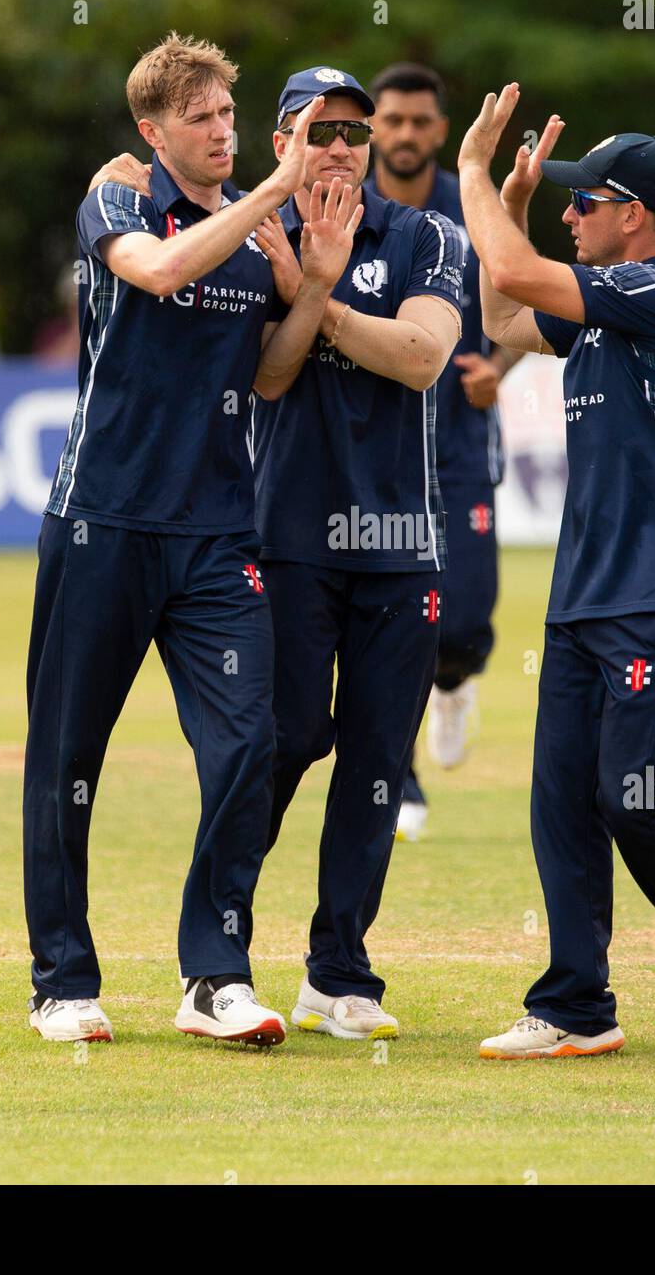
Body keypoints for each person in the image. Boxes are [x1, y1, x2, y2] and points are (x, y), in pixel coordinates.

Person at [24, 33, 360, 1048]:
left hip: (218, 532)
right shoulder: (121, 202)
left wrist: (311, 288)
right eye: (203, 118)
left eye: (229, 115)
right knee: (68, 756)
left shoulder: (255, 238)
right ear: (152, 131)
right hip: (103, 523)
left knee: (253, 740)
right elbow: (162, 273)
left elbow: (266, 376)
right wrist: (273, 194)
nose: (222, 132)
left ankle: (214, 974)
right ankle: (62, 980)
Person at [457, 87, 655, 1060]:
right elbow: (502, 310)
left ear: (630, 213)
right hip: (586, 597)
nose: (569, 213)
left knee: (628, 787)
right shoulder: (599, 313)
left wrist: (472, 175)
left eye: (581, 201)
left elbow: (516, 270)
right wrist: (509, 207)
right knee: (562, 797)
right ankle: (573, 1006)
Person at [249, 65, 466, 1040]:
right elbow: (268, 372)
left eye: (352, 128)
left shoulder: (427, 237)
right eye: (317, 127)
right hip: (285, 541)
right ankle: (217, 957)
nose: (338, 144)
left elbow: (420, 359)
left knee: (378, 761)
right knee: (285, 740)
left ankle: (338, 972)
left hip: (400, 546)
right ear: (281, 141)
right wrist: (303, 287)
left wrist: (319, 300)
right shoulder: (249, 236)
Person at [366, 62, 511, 843]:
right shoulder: (361, 211)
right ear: (375, 128)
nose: (407, 134)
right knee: (392, 615)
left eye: (421, 121)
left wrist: (499, 367)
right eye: (393, 120)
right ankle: (401, 777)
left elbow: (526, 296)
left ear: (441, 130)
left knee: (462, 620)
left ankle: (456, 682)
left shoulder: (470, 211)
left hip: (460, 444)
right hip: (380, 450)